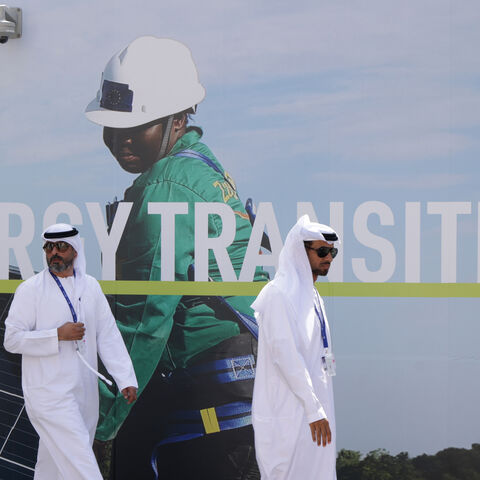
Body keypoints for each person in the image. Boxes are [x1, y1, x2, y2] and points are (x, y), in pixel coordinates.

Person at [85, 36, 268, 479]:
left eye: (135, 126)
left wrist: (93, 420)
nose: (119, 139)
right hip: (232, 400)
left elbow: (144, 316)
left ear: (179, 118)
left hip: (209, 410)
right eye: (111, 126)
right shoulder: (203, 167)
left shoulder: (166, 187)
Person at [3, 223, 138, 480]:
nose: (54, 252)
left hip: (85, 393)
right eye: (49, 247)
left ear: (75, 250)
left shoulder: (91, 287)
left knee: (53, 466)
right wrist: (56, 335)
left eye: (61, 247)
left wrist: (125, 378)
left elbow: (107, 334)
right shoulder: (30, 290)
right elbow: (12, 340)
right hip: (48, 394)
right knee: (82, 466)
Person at [251, 215, 339, 480]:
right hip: (287, 417)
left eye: (332, 251)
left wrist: (316, 410)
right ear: (300, 251)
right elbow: (286, 356)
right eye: (322, 251)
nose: (329, 258)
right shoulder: (279, 294)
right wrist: (313, 410)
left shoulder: (312, 295)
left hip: (316, 413)